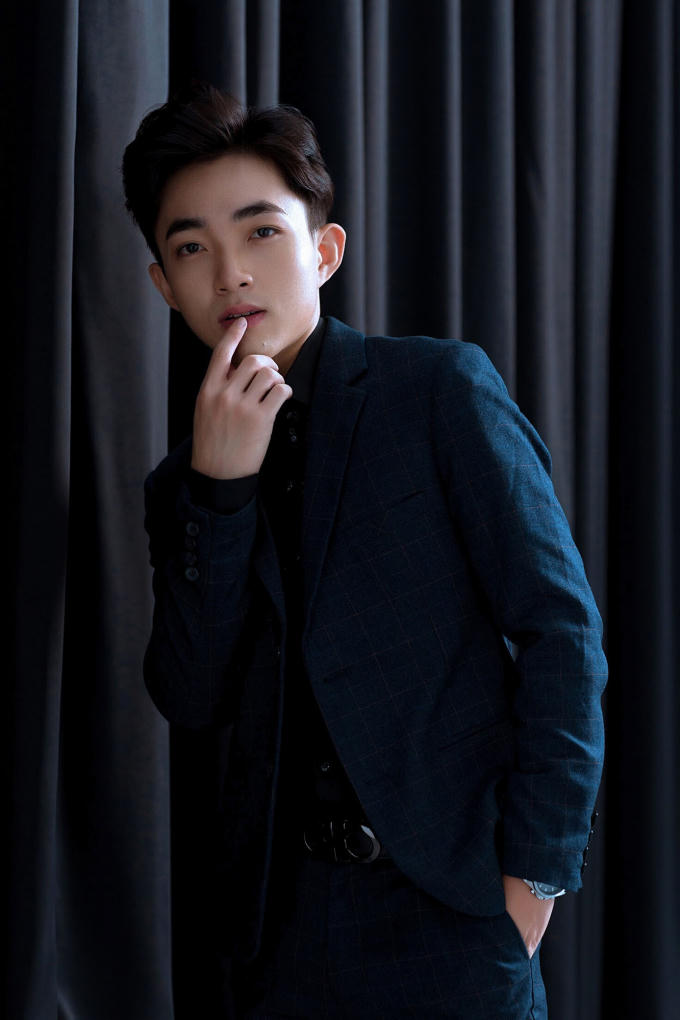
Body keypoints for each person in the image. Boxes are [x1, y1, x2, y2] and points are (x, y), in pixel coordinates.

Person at [122, 82, 607, 1019]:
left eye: (262, 232)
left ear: (325, 250)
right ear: (163, 285)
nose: (231, 274)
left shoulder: (436, 390)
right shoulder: (182, 482)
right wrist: (221, 493)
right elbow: (191, 695)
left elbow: (562, 632)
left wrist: (533, 881)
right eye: (191, 248)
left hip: (454, 917)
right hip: (278, 946)